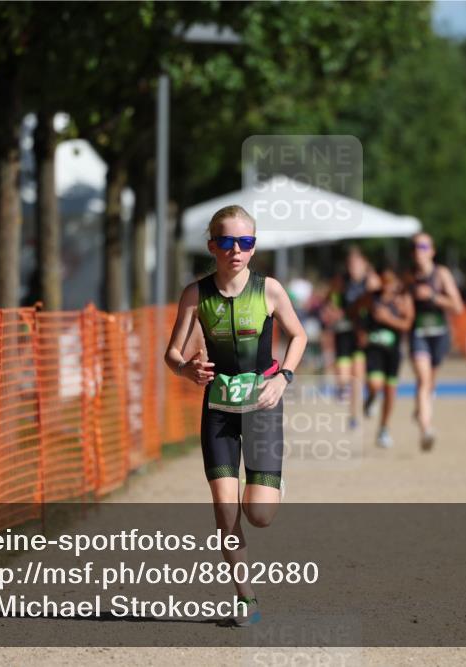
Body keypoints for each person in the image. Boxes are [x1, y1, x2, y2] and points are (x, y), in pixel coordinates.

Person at [164, 205, 307, 627]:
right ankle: (246, 599)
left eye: (246, 242)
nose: (237, 250)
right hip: (219, 412)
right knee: (226, 511)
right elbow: (172, 354)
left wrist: (284, 377)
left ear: (254, 247)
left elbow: (299, 335)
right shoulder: (196, 294)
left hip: (262, 406)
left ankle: (273, 483)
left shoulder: (270, 290)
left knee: (258, 515)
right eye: (227, 242)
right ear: (212, 246)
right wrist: (186, 368)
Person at [407, 233, 463, 450]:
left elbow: (457, 306)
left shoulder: (441, 275)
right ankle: (426, 429)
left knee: (430, 382)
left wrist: (432, 297)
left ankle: (420, 411)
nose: (418, 250)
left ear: (432, 250)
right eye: (415, 247)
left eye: (423, 246)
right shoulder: (409, 277)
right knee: (423, 379)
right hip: (418, 334)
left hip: (439, 334)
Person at [361, 266, 414, 448]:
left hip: (393, 351)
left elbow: (407, 324)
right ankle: (371, 398)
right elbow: (356, 311)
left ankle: (384, 428)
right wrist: (361, 332)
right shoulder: (372, 297)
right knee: (375, 384)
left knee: (390, 391)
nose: (388, 286)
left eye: (391, 283)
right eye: (385, 282)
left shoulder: (402, 299)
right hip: (374, 349)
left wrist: (388, 319)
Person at [322, 247, 374, 429]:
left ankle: (353, 416)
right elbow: (327, 304)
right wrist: (331, 313)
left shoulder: (370, 283)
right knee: (343, 378)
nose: (353, 267)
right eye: (350, 264)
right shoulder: (340, 282)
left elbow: (378, 302)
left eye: (357, 264)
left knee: (357, 378)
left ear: (364, 264)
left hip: (360, 336)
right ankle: (342, 391)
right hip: (343, 334)